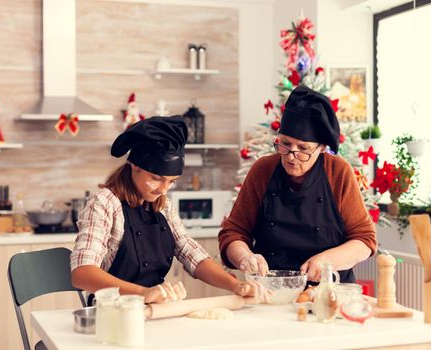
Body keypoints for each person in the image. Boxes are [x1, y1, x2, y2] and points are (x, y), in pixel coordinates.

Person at [71, 116, 261, 304]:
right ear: (134, 165)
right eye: (157, 178)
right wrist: (143, 293)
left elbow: (191, 254)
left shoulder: (164, 206)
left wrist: (234, 285)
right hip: (111, 312)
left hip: (156, 308)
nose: (163, 190)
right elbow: (82, 273)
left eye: (171, 182)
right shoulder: (104, 204)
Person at [219, 86, 377, 283]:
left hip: (328, 294)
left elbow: (365, 240)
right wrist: (245, 257)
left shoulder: (338, 172)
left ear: (321, 148)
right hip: (272, 290)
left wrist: (329, 261)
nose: (291, 156)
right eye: (284, 143)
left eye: (303, 148)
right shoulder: (263, 170)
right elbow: (233, 232)